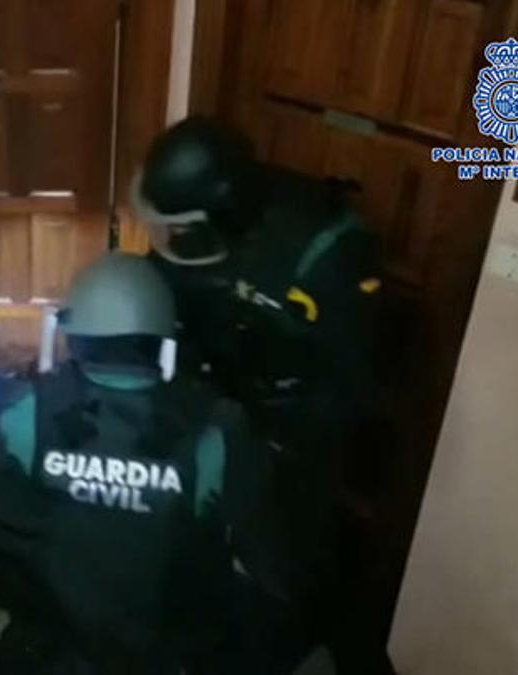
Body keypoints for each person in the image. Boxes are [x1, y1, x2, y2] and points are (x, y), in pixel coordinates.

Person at [130, 116, 384, 671]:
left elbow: (349, 389)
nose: (162, 241)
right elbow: (164, 291)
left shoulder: (327, 252)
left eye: (172, 230)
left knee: (282, 568)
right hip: (219, 404)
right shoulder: (191, 234)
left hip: (291, 428)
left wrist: (262, 414)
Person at [0, 252, 286, 674]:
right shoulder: (215, 432)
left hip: (53, 645)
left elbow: (10, 536)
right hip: (161, 652)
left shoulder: (24, 414)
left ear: (74, 333)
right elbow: (261, 552)